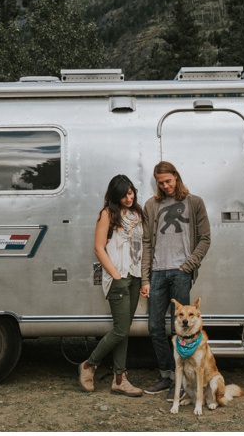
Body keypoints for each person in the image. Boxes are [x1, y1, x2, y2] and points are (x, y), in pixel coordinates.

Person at [139, 161, 211, 400]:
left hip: (181, 272)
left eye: (168, 181)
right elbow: (147, 243)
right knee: (154, 327)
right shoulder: (151, 205)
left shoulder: (194, 202)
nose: (165, 186)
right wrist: (146, 277)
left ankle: (180, 383)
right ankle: (167, 375)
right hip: (158, 272)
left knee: (179, 328)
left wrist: (188, 266)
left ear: (176, 178)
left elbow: (205, 239)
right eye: (160, 182)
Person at [78, 175, 145, 397]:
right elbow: (99, 248)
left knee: (123, 331)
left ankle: (119, 379)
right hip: (118, 277)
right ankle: (89, 365)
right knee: (120, 329)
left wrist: (144, 279)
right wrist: (115, 275)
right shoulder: (107, 214)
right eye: (124, 193)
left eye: (131, 192)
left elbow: (143, 246)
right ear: (116, 195)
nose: (129, 197)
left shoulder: (137, 214)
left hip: (134, 276)